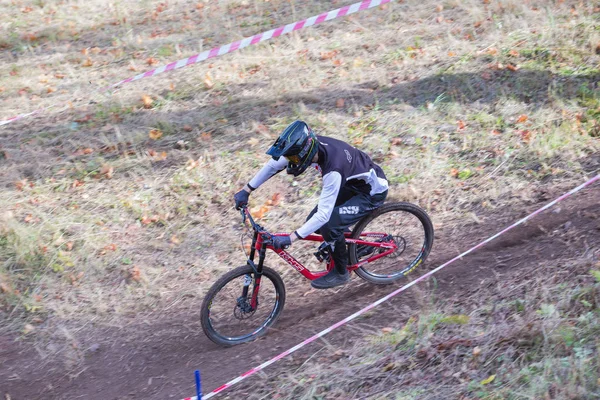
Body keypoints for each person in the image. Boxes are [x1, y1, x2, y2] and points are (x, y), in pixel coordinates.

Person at [234, 120, 388, 289]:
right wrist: (246, 190)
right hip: (351, 184)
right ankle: (352, 246)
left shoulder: (333, 169)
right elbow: (273, 165)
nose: (290, 162)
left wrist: (290, 238)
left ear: (305, 153)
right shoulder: (309, 146)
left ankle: (341, 272)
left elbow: (324, 215)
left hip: (370, 192)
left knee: (328, 224)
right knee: (315, 223)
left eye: (292, 158)